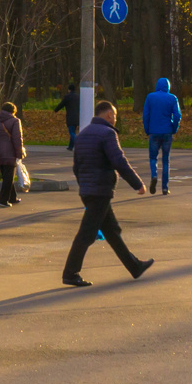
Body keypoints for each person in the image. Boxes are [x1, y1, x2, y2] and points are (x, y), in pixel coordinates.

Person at [63, 99, 151, 287]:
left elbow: (76, 167)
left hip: (89, 190)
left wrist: (84, 187)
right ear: (109, 115)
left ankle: (134, 267)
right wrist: (138, 184)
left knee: (112, 231)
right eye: (115, 116)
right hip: (100, 190)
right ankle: (70, 273)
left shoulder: (83, 134)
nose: (115, 119)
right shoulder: (108, 134)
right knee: (86, 234)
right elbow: (119, 161)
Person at [140, 76, 182, 196]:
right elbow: (177, 115)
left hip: (154, 132)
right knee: (166, 160)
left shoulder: (150, 97)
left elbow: (146, 115)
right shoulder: (172, 98)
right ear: (168, 87)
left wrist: (147, 129)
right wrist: (174, 128)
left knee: (153, 158)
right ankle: (165, 188)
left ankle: (154, 175)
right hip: (167, 132)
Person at [0, 101, 27, 207]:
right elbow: (17, 138)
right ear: (13, 111)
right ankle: (2, 201)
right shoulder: (15, 121)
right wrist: (19, 154)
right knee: (8, 178)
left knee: (7, 176)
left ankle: (12, 197)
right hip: (9, 153)